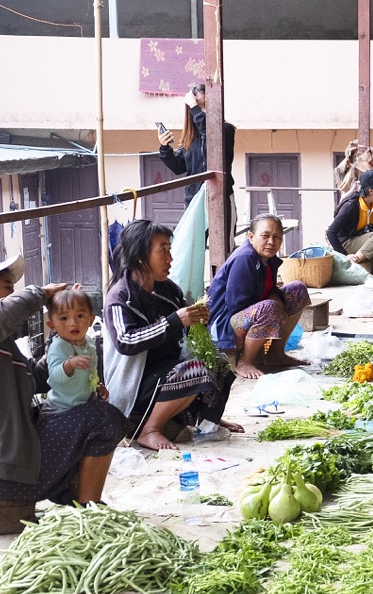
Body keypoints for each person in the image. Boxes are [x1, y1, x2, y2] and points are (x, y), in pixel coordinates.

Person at [0, 255, 124, 514]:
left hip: (4, 466)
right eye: (6, 285)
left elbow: (37, 378)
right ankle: (89, 511)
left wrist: (64, 334)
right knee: (104, 418)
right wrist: (42, 293)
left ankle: (74, 495)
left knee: (86, 411)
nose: (12, 290)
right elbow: (8, 311)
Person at [104, 219, 240, 452]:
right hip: (136, 384)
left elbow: (184, 324)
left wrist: (196, 319)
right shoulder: (120, 297)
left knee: (217, 363)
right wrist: (175, 320)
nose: (170, 258)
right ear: (140, 256)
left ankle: (207, 420)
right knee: (195, 371)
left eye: (169, 249)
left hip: (166, 374)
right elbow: (125, 341)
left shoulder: (168, 289)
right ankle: (149, 430)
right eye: (162, 251)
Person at [207, 214, 312, 380]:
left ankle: (275, 354)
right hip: (224, 324)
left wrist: (276, 299)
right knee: (269, 307)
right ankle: (245, 361)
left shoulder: (268, 258)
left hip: (248, 313)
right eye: (265, 236)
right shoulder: (245, 258)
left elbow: (270, 289)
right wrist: (273, 305)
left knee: (298, 289)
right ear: (251, 236)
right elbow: (236, 305)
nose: (271, 241)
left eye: (277, 237)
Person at [157, 84, 237, 232]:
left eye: (206, 107)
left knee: (222, 248)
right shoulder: (191, 137)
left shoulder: (226, 130)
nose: (202, 113)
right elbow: (178, 167)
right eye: (199, 108)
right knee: (194, 249)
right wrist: (165, 147)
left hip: (220, 198)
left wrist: (194, 106)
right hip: (194, 201)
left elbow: (212, 143)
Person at [326, 170, 373, 274]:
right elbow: (331, 232)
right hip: (346, 243)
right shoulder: (350, 206)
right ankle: (354, 262)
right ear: (371, 191)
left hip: (360, 240)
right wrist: (345, 254)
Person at [45, 288, 106, 413]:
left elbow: (91, 370)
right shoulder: (58, 347)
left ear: (90, 320)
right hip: (61, 409)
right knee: (106, 415)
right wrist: (69, 364)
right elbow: (55, 378)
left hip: (84, 403)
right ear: (52, 326)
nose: (73, 323)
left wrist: (97, 385)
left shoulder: (89, 342)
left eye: (80, 316)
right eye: (63, 318)